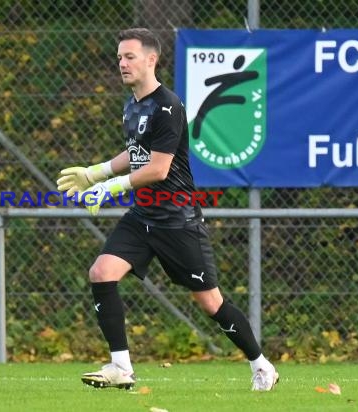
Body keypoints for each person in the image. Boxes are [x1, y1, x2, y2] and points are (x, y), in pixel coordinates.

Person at [56, 28, 279, 391]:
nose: (122, 64)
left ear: (151, 60)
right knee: (102, 272)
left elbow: (158, 168)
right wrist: (94, 172)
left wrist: (110, 188)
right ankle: (121, 367)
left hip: (177, 220)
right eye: (118, 58)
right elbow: (137, 153)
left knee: (211, 303)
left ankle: (261, 364)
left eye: (129, 57)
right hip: (143, 216)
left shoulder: (168, 106)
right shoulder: (132, 104)